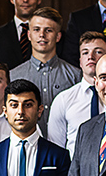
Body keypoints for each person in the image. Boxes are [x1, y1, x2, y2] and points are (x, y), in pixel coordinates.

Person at [10, 7, 81, 138]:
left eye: (48, 30)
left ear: (58, 36)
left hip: (66, 150)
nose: (42, 35)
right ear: (29, 35)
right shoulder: (13, 76)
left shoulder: (76, 76)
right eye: (36, 29)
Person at [48, 31, 106, 157]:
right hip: (76, 172)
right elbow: (56, 149)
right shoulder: (63, 100)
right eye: (85, 52)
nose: (91, 57)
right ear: (80, 61)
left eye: (98, 52)